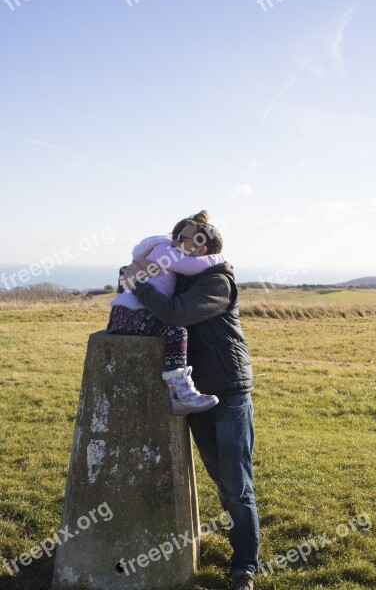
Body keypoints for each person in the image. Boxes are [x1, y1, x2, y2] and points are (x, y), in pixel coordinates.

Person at [121, 210, 259, 590]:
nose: (179, 243)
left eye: (188, 237)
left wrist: (139, 284)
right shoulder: (179, 280)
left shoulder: (216, 281)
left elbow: (175, 314)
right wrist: (135, 276)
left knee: (236, 485)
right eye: (177, 236)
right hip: (199, 394)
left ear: (207, 246)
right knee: (220, 477)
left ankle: (245, 567)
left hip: (228, 392)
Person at [105, 232, 225, 415]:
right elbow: (192, 266)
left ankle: (181, 395)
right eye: (178, 236)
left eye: (183, 237)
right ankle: (181, 396)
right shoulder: (164, 250)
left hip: (127, 314)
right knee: (175, 331)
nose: (178, 241)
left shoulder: (157, 250)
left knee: (173, 330)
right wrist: (219, 257)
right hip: (130, 314)